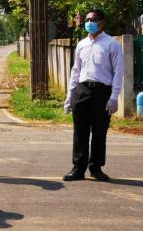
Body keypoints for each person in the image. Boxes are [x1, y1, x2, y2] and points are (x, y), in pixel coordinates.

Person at [63, 10, 123, 182]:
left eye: (93, 19)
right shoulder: (82, 44)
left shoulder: (112, 44)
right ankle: (78, 169)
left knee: (99, 132)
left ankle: (95, 168)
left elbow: (118, 72)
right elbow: (76, 71)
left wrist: (114, 97)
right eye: (87, 20)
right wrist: (70, 95)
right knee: (80, 132)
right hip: (82, 91)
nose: (89, 22)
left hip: (102, 92)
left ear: (102, 22)